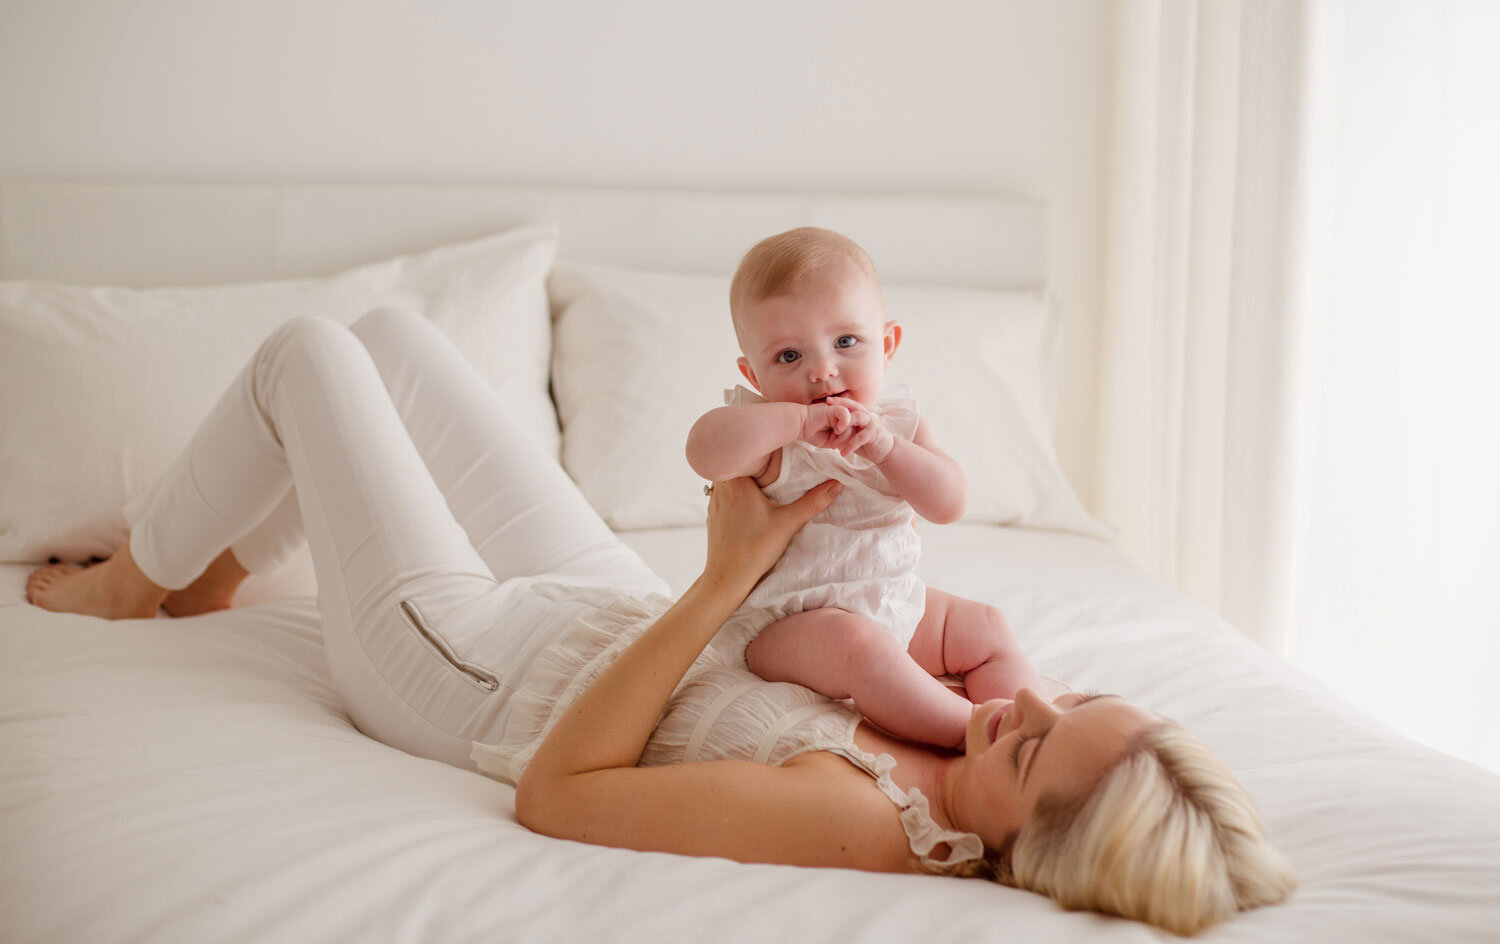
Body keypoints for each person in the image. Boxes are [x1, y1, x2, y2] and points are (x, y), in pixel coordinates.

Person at [26, 306, 1295, 935]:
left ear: (1032, 855)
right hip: (607, 614)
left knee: (308, 353)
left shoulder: (864, 822)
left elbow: (562, 794)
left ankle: (135, 586)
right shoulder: (969, 734)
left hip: (475, 677)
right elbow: (933, 635)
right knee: (395, 337)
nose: (1023, 707)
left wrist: (721, 579)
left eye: (1032, 747)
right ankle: (210, 576)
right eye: (1066, 702)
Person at [686, 226, 1043, 750]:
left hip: (893, 600)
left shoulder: (900, 425)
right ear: (754, 376)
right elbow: (702, 452)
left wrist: (887, 451)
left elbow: (949, 503)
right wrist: (792, 425)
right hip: (786, 625)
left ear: (888, 343)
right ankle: (974, 738)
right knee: (859, 646)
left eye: (846, 342)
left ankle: (1028, 733)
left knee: (986, 627)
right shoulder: (769, 433)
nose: (823, 372)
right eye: (789, 357)